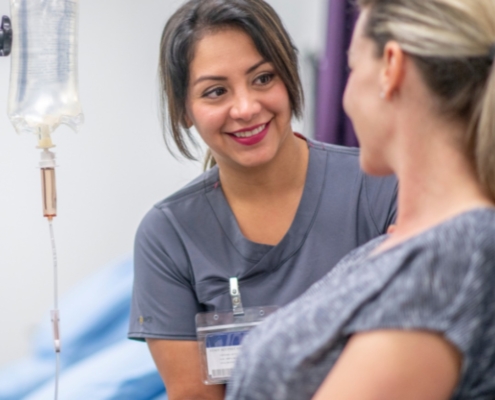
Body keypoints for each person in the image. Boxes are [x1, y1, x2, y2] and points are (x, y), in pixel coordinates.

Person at [128, 0, 397, 399]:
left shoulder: (380, 186)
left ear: (288, 77)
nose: (246, 108)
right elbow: (194, 394)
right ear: (184, 109)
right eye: (215, 91)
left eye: (263, 78)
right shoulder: (168, 235)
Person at [226, 0, 495, 399]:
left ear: (391, 67)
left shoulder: (458, 254)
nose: (347, 97)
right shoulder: (395, 249)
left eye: (352, 69)